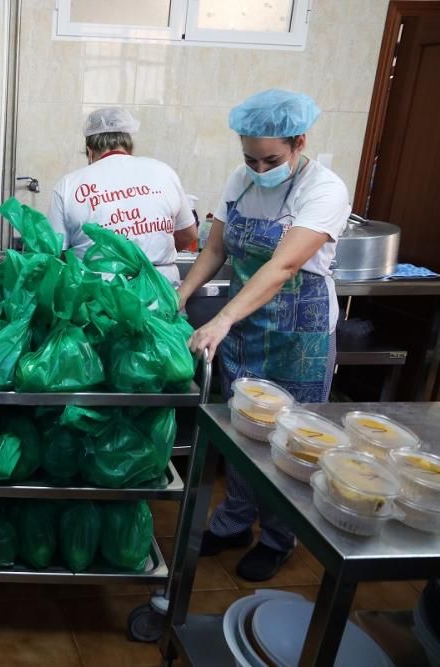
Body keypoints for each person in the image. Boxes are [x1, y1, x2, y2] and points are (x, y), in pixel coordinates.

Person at [177, 89, 350, 581]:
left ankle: (278, 536)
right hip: (247, 324)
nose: (258, 166)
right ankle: (233, 522)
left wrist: (223, 318)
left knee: (291, 439)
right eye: (249, 156)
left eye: (270, 158)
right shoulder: (241, 179)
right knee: (241, 429)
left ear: (299, 142)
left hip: (301, 334)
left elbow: (284, 264)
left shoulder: (324, 189)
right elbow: (214, 250)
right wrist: (182, 293)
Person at [47, 107, 197, 285]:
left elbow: (54, 253)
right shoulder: (164, 172)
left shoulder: (68, 184)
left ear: (89, 151)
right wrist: (149, 257)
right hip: (160, 295)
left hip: (99, 298)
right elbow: (189, 234)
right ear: (130, 147)